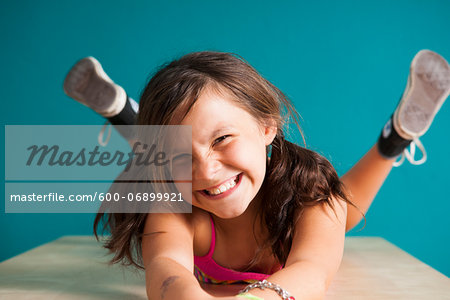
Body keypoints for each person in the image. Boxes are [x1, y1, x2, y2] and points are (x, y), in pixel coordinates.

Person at [64, 50, 450, 300]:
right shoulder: (176, 201)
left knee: (343, 209)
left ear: (268, 126)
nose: (206, 170)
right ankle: (123, 111)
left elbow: (312, 271)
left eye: (224, 139)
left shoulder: (311, 197)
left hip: (310, 198)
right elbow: (166, 269)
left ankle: (396, 137)